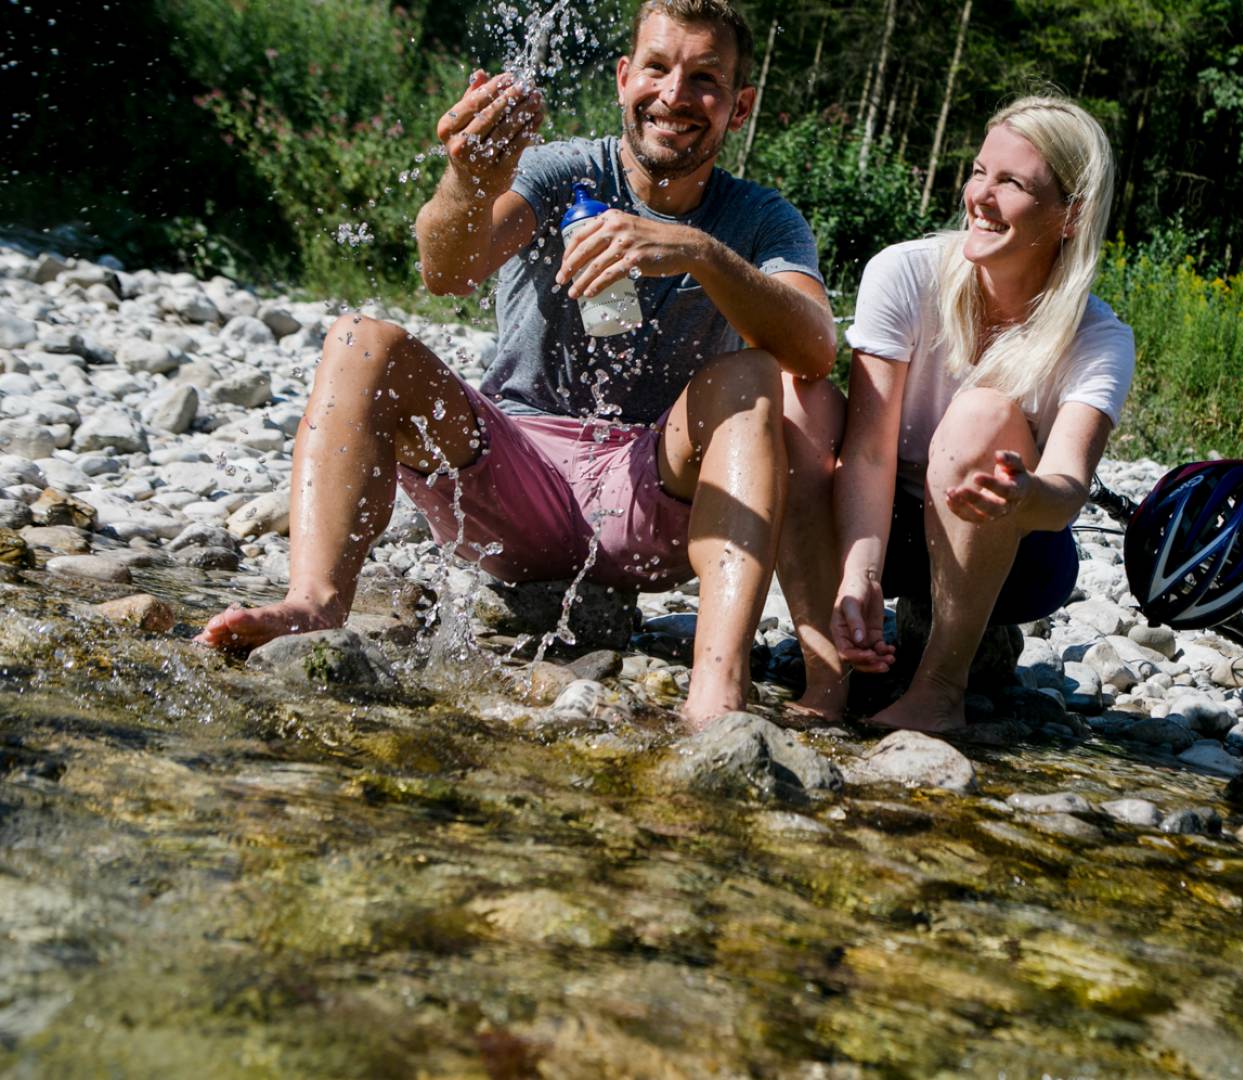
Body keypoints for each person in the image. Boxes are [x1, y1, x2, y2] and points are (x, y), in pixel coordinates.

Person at [196, 0, 847, 727]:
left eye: (705, 79)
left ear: (739, 104)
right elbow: (447, 270)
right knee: (359, 340)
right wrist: (469, 182)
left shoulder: (761, 218)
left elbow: (815, 348)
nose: (674, 95)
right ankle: (313, 604)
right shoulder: (559, 169)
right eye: (658, 68)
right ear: (624, 76)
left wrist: (698, 252)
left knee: (754, 377)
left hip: (655, 500)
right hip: (512, 482)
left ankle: (716, 693)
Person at [818, 96, 1134, 733]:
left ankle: (941, 687)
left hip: (1015, 555)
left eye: (1012, 183)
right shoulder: (904, 274)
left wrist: (1023, 493)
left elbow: (1068, 488)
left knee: (982, 417)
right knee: (803, 401)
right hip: (881, 523)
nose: (980, 196)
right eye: (979, 171)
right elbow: (869, 452)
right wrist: (861, 572)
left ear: (1070, 216)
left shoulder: (1099, 337)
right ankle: (824, 672)